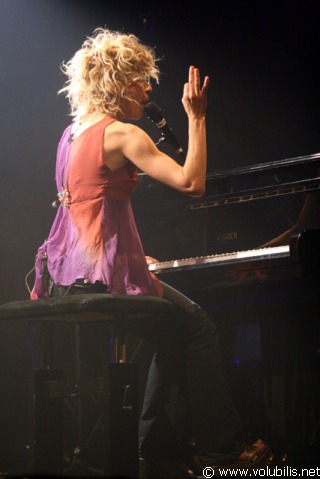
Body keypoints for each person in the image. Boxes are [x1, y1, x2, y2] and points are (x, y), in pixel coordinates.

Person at [30, 28, 274, 477]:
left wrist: (130, 259)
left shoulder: (69, 136)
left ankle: (156, 444)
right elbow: (192, 183)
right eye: (141, 79)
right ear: (118, 82)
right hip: (99, 277)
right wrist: (197, 117)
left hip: (65, 275)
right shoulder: (122, 135)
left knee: (170, 331)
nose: (148, 88)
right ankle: (222, 452)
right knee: (198, 325)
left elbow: (85, 213)